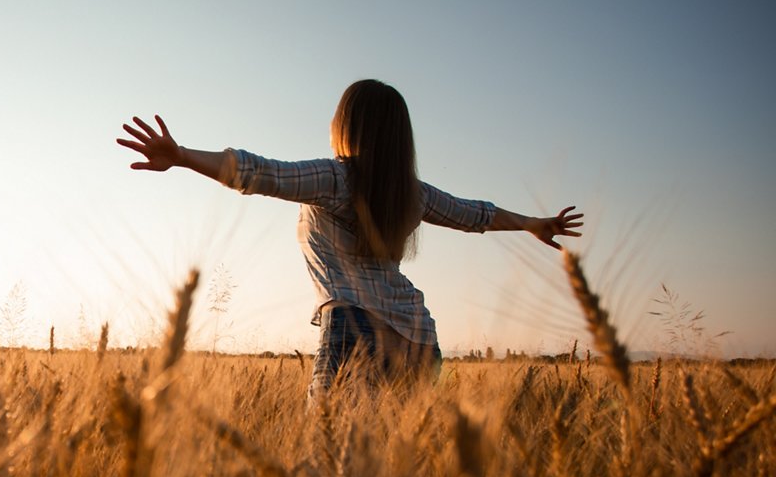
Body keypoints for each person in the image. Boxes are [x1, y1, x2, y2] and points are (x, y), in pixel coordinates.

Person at [116, 79, 583, 399]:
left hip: (354, 328)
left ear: (347, 125)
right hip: (420, 338)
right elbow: (474, 215)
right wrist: (531, 223)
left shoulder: (336, 178)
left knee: (330, 462)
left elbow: (261, 174)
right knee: (401, 470)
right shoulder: (412, 194)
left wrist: (182, 156)